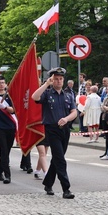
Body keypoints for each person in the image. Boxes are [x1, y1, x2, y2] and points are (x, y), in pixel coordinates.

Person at [32, 67, 77, 199]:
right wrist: (46, 84)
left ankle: (48, 183)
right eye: (56, 79)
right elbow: (35, 97)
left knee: (57, 158)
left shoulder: (68, 95)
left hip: (65, 129)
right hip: (51, 129)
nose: (58, 81)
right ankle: (66, 189)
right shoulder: (47, 93)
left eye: (60, 79)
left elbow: (74, 112)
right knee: (61, 160)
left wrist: (66, 119)